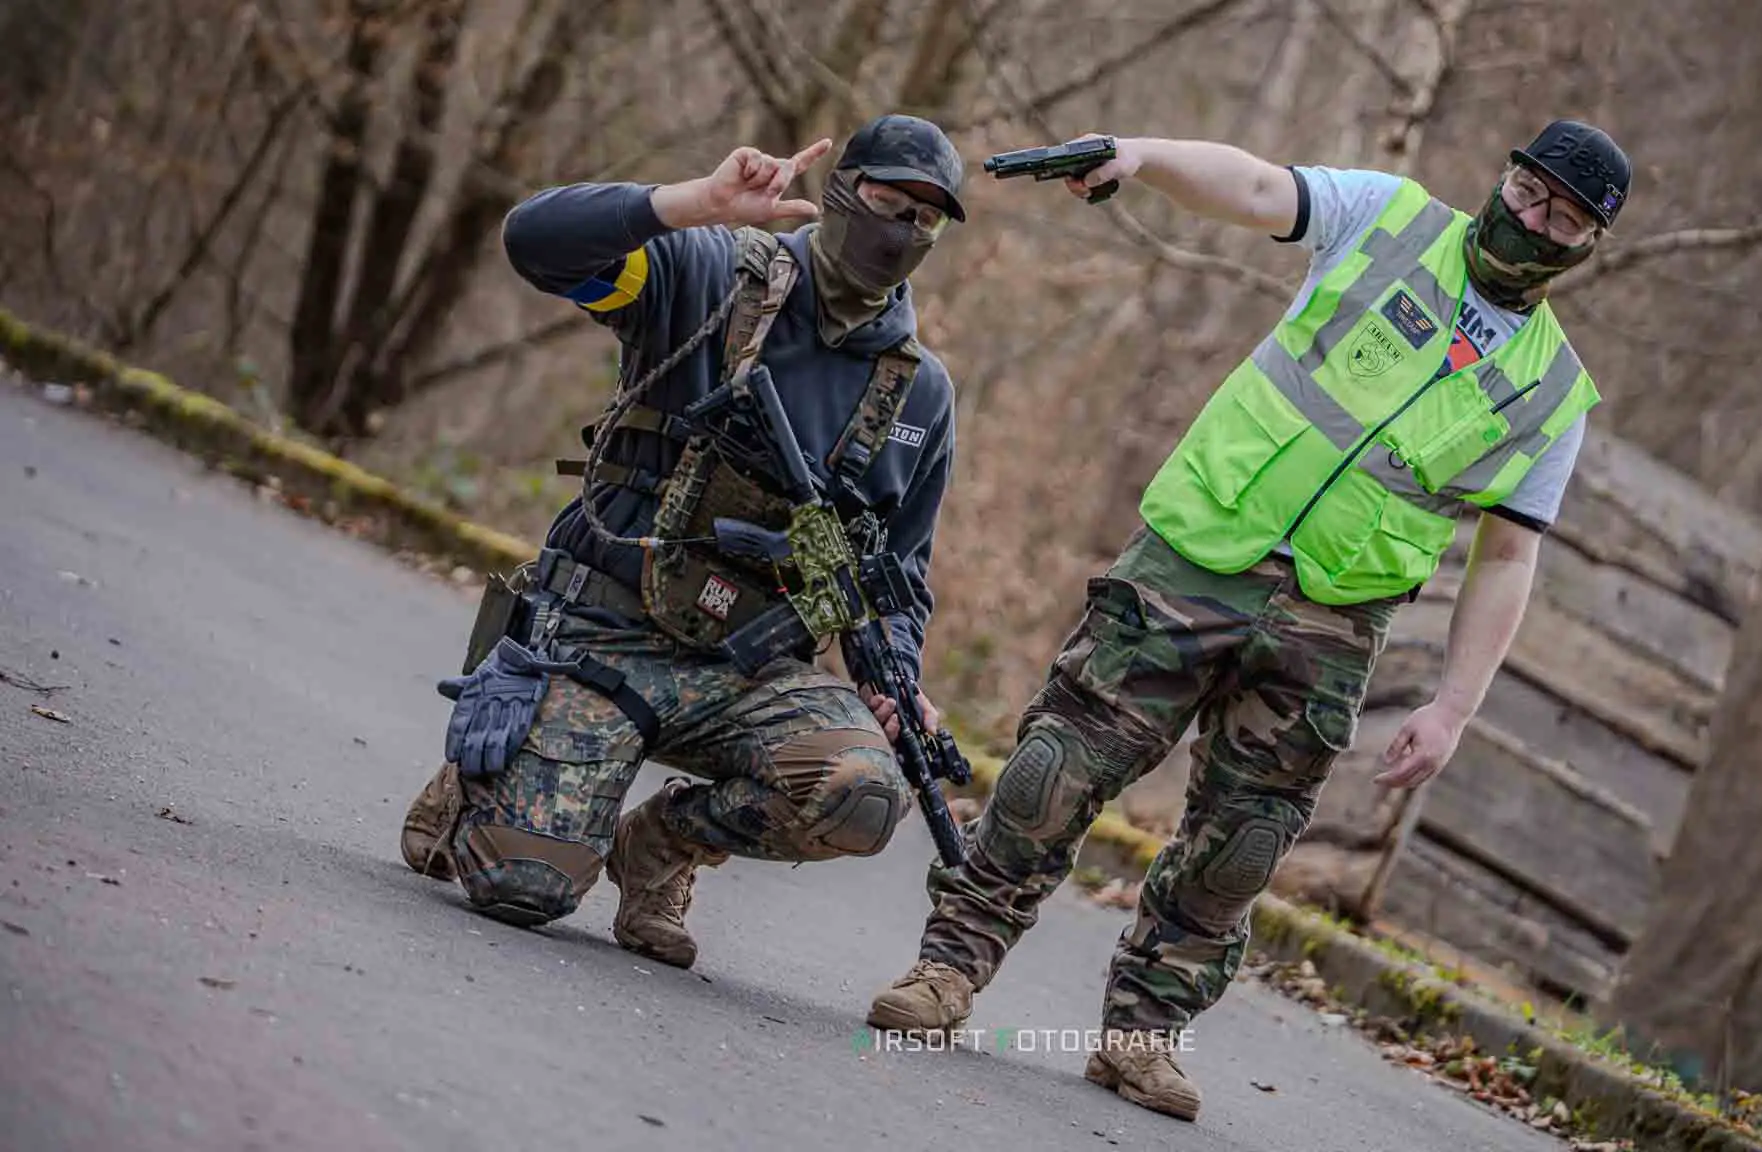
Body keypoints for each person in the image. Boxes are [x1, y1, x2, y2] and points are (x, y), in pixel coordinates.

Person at [866, 120, 1631, 1121]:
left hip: (1334, 621)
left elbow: (1509, 555)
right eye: (1529, 193)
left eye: (1563, 219)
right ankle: (948, 969)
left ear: (1588, 245)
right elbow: (1261, 190)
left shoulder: (1552, 390)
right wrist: (1143, 156)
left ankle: (1142, 1037)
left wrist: (1453, 706)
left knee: (1242, 845)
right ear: (1505, 177)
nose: (1534, 222)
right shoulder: (1391, 220)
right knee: (1056, 769)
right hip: (1200, 550)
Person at [398, 113, 969, 973]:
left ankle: (660, 846)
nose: (905, 229)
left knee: (860, 794)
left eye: (927, 218)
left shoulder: (922, 394)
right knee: (522, 887)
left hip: (748, 670)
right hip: (606, 630)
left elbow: (899, 571)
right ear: (843, 191)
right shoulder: (708, 273)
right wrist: (691, 203)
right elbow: (534, 243)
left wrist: (897, 680)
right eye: (891, 201)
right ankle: (487, 774)